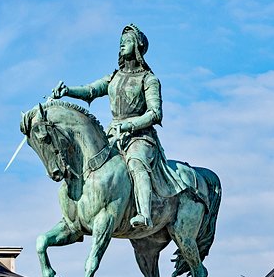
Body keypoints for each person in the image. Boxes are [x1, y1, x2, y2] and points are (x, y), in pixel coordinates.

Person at [52, 24, 183, 229]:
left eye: (128, 41)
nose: (122, 45)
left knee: (136, 164)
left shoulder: (149, 79)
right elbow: (90, 90)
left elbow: (155, 113)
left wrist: (130, 125)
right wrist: (68, 90)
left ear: (138, 47)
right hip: (114, 134)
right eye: (121, 43)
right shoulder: (114, 77)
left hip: (140, 137)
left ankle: (144, 214)